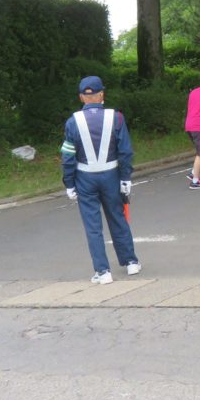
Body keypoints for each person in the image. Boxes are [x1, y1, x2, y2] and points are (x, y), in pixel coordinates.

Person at [60, 75, 140, 284]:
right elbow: (125, 152)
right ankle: (131, 262)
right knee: (117, 218)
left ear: (81, 97)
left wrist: (69, 183)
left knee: (93, 226)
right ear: (102, 94)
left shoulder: (73, 122)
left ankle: (103, 272)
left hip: (85, 178)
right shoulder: (117, 118)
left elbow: (68, 156)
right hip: (111, 175)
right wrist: (125, 178)